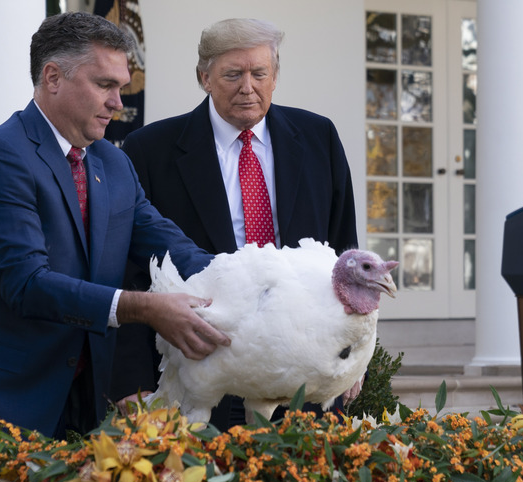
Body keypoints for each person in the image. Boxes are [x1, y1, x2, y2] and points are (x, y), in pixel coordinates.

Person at [0, 12, 230, 440]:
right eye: (105, 85)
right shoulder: (0, 157)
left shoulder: (113, 162)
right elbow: (27, 285)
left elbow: (169, 244)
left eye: (121, 86)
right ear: (53, 77)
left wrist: (248, 280)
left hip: (84, 408)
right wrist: (146, 309)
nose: (119, 102)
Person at [110, 18, 359, 430]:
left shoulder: (319, 138)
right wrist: (133, 382)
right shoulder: (149, 151)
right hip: (200, 371)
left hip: (303, 372)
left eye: (259, 73)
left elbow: (343, 254)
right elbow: (133, 271)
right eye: (232, 74)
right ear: (204, 77)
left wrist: (349, 356)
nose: (248, 87)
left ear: (275, 76)